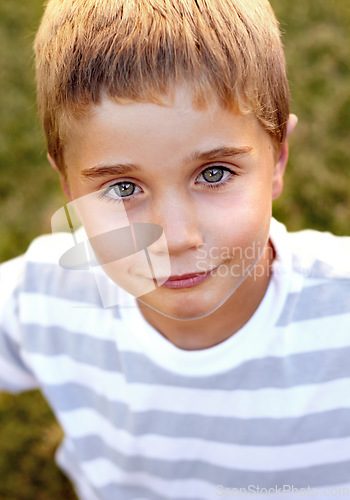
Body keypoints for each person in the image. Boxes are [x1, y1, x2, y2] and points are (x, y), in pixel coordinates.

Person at [1, 0, 350, 498]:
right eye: (122, 188)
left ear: (278, 161)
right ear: (68, 187)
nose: (176, 236)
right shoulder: (44, 297)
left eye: (214, 174)